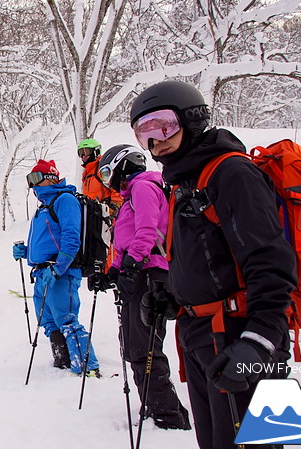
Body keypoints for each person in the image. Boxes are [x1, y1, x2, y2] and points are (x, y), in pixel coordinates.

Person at [130, 80, 296, 449]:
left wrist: (259, 341)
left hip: (241, 337)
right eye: (144, 134)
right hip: (204, 338)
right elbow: (210, 259)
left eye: (163, 126)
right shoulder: (184, 182)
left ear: (191, 119)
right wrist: (172, 296)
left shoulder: (232, 173)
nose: (156, 141)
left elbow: (272, 261)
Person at [88, 145, 191, 431]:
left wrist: (132, 265)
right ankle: (154, 404)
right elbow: (124, 242)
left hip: (150, 275)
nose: (108, 180)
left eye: (108, 172)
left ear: (124, 165)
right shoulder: (131, 195)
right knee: (133, 346)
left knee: (143, 348)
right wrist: (112, 272)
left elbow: (147, 231)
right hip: (139, 274)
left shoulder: (144, 188)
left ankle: (169, 417)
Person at [12, 159, 101, 377]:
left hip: (61, 273)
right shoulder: (44, 206)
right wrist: (27, 253)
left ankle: (88, 368)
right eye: (29, 181)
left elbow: (72, 238)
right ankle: (62, 361)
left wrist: (58, 268)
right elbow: (48, 241)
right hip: (42, 273)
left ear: (50, 177)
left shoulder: (65, 200)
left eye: (35, 179)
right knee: (48, 321)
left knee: (66, 318)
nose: (32, 186)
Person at [77, 138, 123, 213]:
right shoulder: (86, 173)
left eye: (86, 152)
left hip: (106, 211)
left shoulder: (102, 168)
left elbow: (116, 189)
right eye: (80, 153)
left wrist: (114, 207)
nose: (83, 156)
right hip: (93, 213)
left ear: (96, 151)